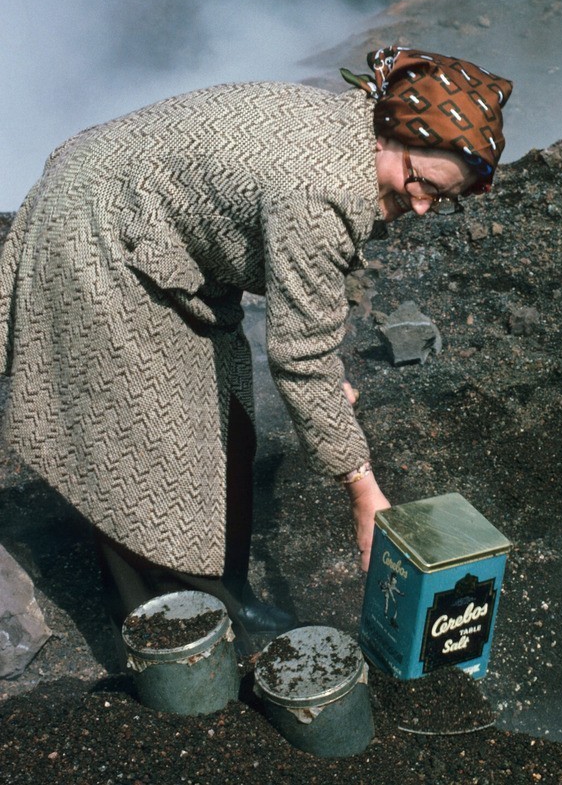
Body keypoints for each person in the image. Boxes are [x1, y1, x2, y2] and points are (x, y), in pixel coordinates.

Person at [0, 46, 512, 652]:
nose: (422, 204)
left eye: (440, 199)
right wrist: (362, 490)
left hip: (151, 231)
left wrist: (327, 376)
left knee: (226, 420)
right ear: (394, 134)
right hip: (96, 237)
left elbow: (314, 287)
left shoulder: (358, 136)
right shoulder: (320, 186)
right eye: (421, 183)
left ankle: (226, 595)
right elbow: (299, 356)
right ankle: (170, 632)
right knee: (144, 443)